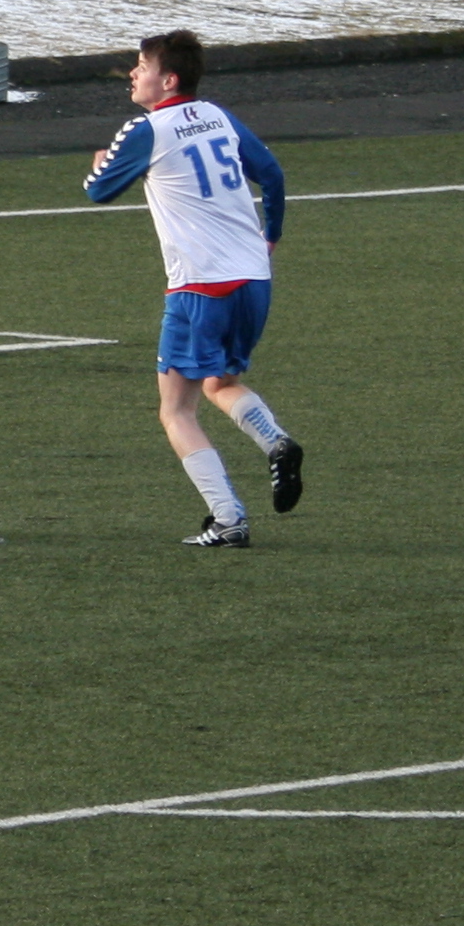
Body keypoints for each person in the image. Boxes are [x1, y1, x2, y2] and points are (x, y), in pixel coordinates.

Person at [85, 28, 302, 548]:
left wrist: (98, 163)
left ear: (169, 80)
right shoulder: (218, 116)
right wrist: (271, 236)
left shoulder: (146, 129)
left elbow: (98, 191)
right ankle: (276, 442)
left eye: (142, 66)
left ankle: (228, 518)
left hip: (200, 287)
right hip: (254, 278)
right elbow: (272, 176)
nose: (133, 73)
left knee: (176, 410)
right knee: (220, 383)